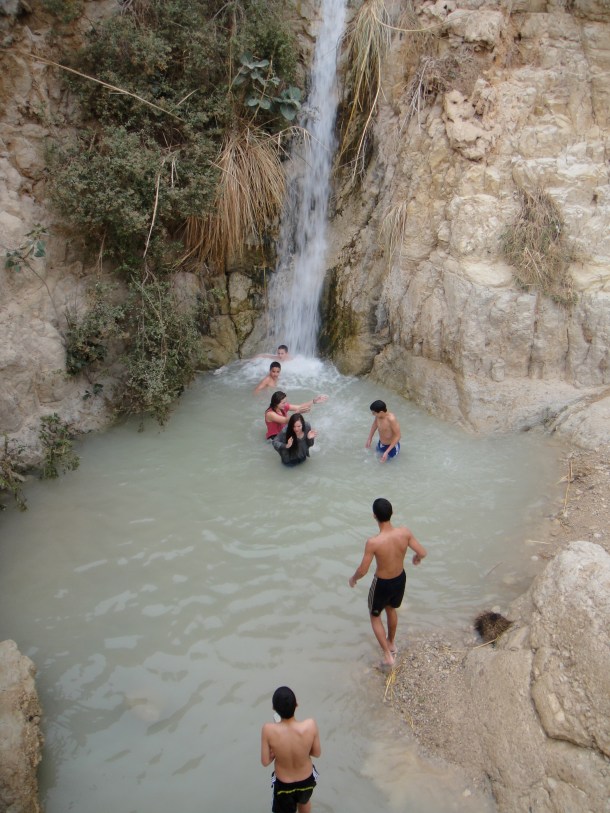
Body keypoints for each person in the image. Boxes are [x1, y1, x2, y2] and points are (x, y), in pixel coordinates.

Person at [348, 498, 427, 666]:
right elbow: (422, 552)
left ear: (374, 516)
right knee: (391, 609)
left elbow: (363, 570)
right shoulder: (404, 532)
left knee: (375, 616)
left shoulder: (373, 542)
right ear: (392, 513)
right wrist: (417, 558)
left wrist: (353, 578)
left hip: (382, 584)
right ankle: (391, 643)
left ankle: (387, 655)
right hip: (400, 579)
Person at [261, 686, 321, 813]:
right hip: (307, 781)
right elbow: (317, 753)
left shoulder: (268, 730)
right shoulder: (310, 725)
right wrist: (302, 749)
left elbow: (265, 761)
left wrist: (275, 753)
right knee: (304, 802)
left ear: (274, 709)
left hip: (284, 785)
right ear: (296, 705)